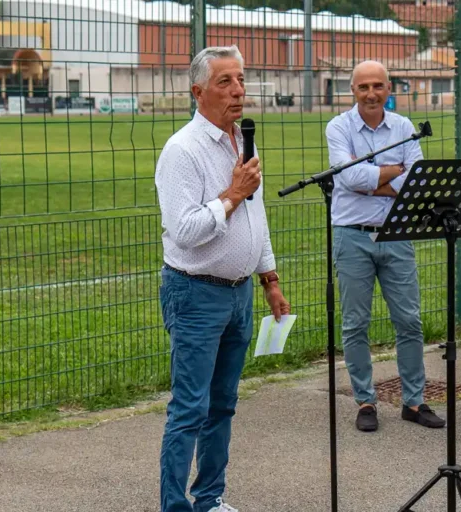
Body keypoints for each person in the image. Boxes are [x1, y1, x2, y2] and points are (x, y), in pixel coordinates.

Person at [155, 45, 290, 512]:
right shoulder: (182, 151)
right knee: (189, 408)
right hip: (195, 294)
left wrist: (269, 278)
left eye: (241, 80)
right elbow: (185, 230)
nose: (238, 91)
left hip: (240, 294)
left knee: (223, 405)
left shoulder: (242, 141)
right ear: (199, 92)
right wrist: (232, 194)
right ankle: (175, 506)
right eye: (225, 82)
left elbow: (257, 216)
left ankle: (209, 499)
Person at [325, 60, 445, 433]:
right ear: (353, 91)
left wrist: (370, 180)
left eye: (378, 86)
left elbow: (417, 181)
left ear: (389, 89)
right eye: (364, 87)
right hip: (352, 234)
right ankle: (365, 401)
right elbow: (347, 177)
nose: (371, 93)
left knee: (409, 320)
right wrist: (393, 172)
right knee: (355, 323)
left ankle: (414, 401)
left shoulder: (405, 127)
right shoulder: (338, 127)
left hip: (397, 232)